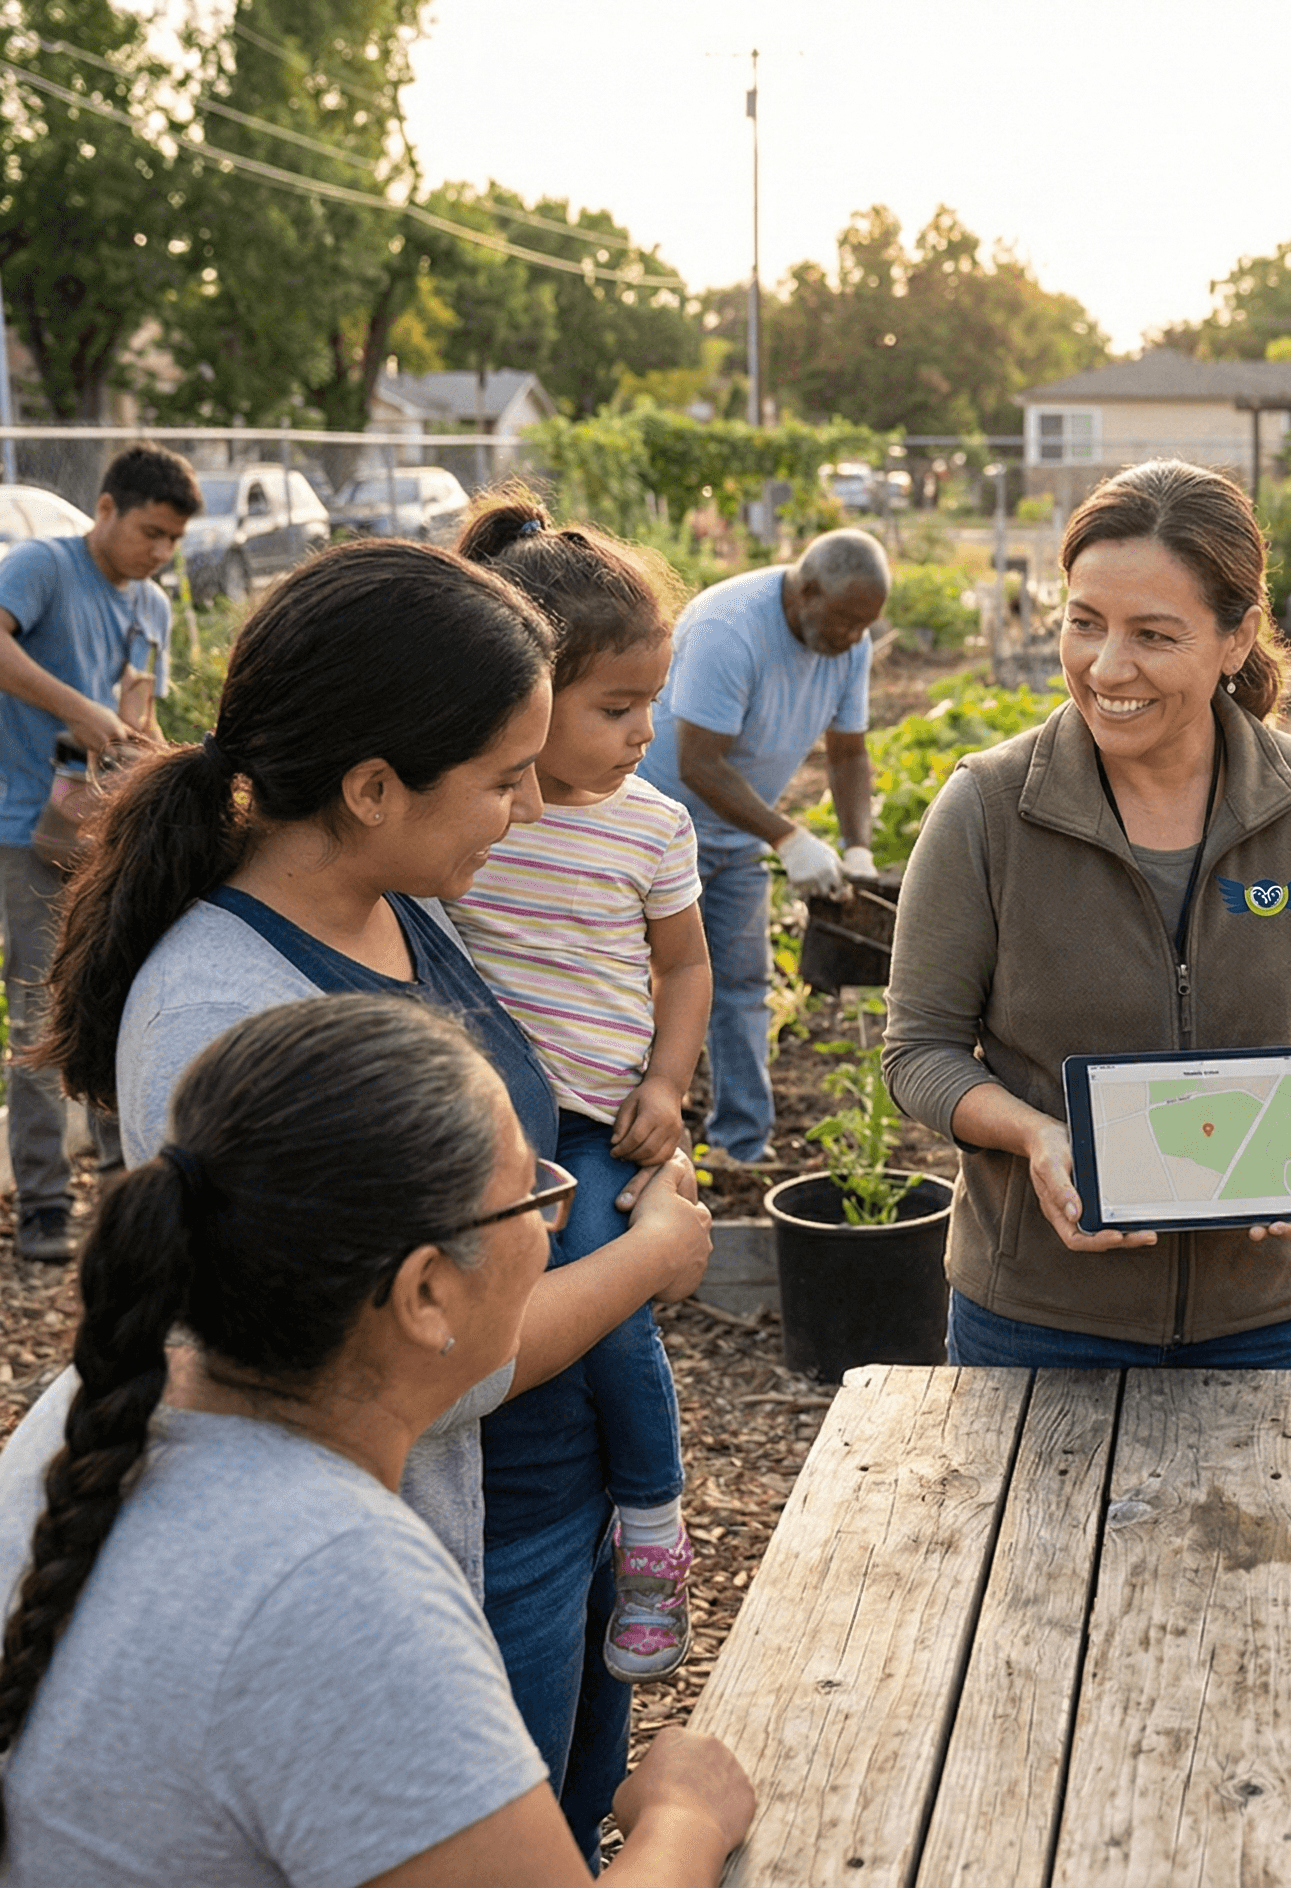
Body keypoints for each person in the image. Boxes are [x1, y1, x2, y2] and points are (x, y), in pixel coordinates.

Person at [38, 537, 712, 1866]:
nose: (526, 813)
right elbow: (387, 1364)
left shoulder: (399, 900)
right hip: (433, 1515)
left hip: (527, 1482)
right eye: (503, 779)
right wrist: (645, 1262)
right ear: (369, 786)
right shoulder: (222, 1015)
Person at [0, 994, 755, 1886]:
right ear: (424, 1294)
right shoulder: (339, 1586)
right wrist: (684, 1818)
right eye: (532, 1196)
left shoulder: (83, 1415)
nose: (557, 1216)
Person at [883, 459, 1291, 1370]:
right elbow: (917, 1051)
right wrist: (1036, 1135)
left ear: (1237, 639)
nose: (1107, 667)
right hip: (1037, 1317)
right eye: (1085, 624)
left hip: (1268, 1316)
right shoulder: (988, 809)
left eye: (1155, 635)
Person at [446, 491, 712, 1685]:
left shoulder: (652, 827)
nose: (642, 731)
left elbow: (688, 963)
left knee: (605, 1312)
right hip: (492, 1125)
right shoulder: (480, 819)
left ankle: (653, 1522)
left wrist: (667, 1080)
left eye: (651, 702)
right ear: (532, 699)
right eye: (615, 708)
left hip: (600, 1119)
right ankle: (620, 1518)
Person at [0, 442, 197, 1263]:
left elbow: (138, 713)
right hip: (24, 826)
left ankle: (125, 1187)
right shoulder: (44, 566)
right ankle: (44, 1204)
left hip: (101, 834)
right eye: (149, 532)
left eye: (172, 542)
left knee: (114, 997)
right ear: (107, 509)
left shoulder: (149, 607)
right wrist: (75, 709)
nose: (158, 553)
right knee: (41, 1010)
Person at [639, 529, 887, 1166]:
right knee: (632, 989)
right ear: (806, 593)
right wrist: (790, 839)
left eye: (866, 626)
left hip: (734, 838)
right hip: (656, 834)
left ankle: (740, 1147)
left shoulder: (846, 639)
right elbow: (699, 764)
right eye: (844, 624)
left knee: (742, 985)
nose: (854, 640)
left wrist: (857, 848)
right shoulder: (730, 626)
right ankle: (625, 1138)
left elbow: (849, 750)